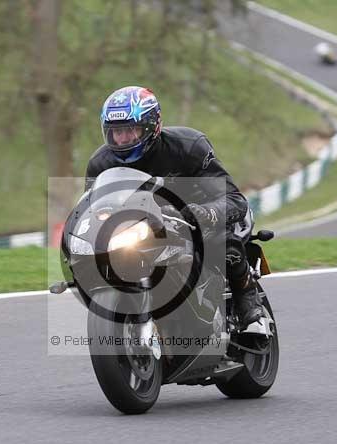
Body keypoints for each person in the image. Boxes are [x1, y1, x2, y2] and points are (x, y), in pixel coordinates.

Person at [85, 86, 263, 329]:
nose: (123, 139)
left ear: (152, 126)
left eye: (130, 130)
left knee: (219, 241)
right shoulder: (100, 164)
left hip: (197, 215)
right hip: (144, 227)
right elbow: (94, 210)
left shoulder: (188, 146)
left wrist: (206, 213)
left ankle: (247, 298)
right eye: (116, 133)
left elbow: (233, 198)